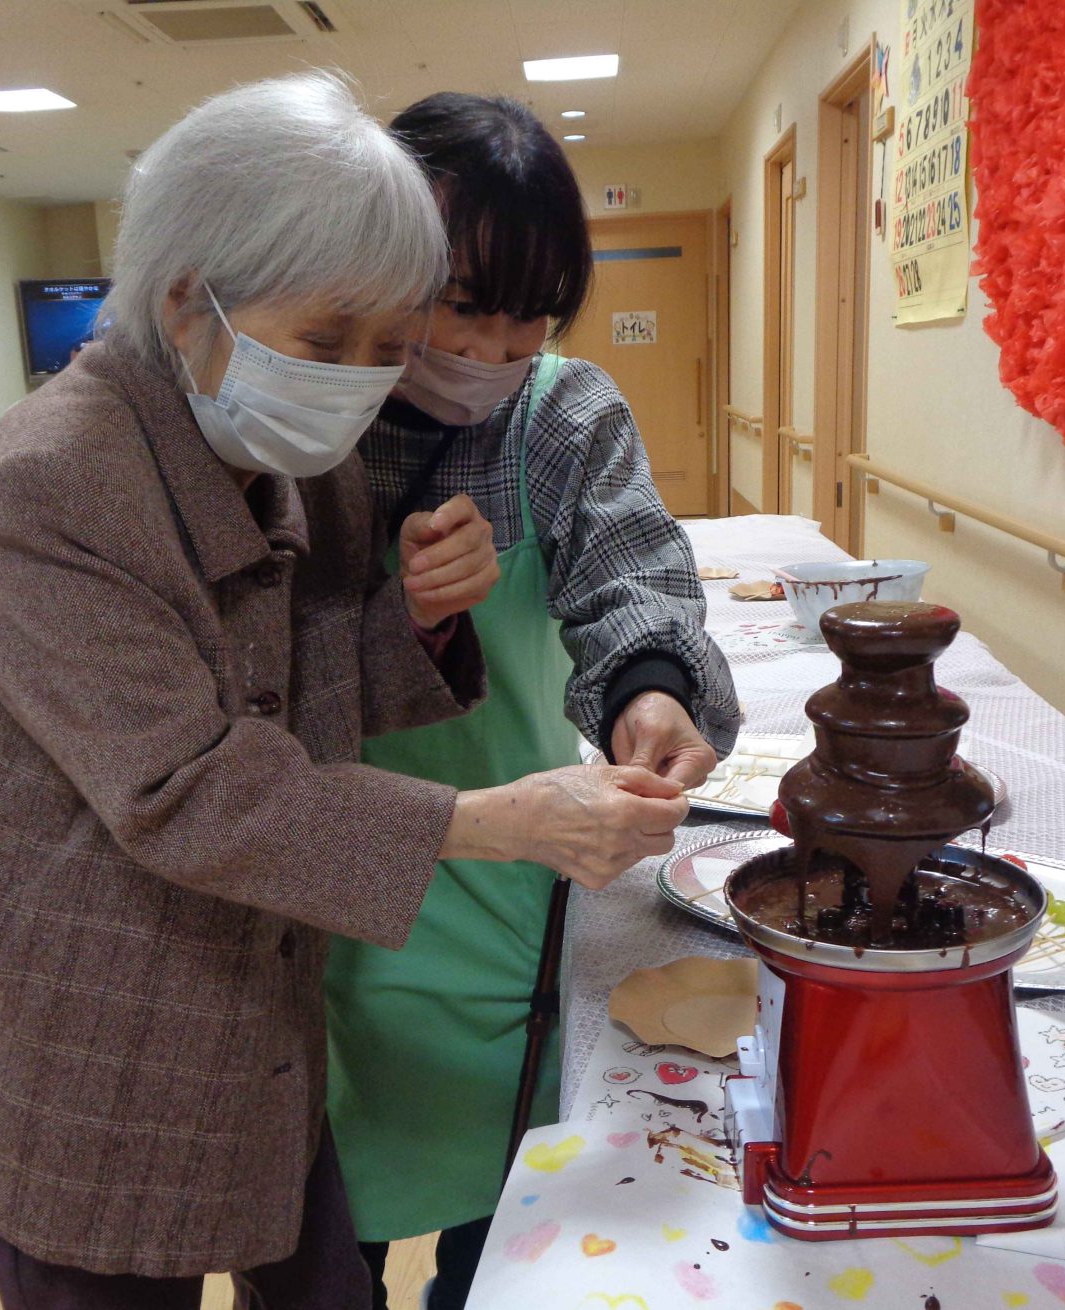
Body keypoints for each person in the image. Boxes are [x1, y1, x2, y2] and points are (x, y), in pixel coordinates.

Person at [0, 72, 686, 1309]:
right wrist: (496, 820)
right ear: (186, 300)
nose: (364, 384)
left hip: (260, 980)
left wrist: (416, 616)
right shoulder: (60, 473)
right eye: (330, 343)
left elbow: (302, 680)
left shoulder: (283, 444)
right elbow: (187, 782)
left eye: (388, 346)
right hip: (91, 1009)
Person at [321, 93, 739, 1310]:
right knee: (314, 1238)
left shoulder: (560, 413)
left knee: (501, 1232)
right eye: (462, 308)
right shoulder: (308, 395)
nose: (493, 352)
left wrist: (652, 689)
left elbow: (633, 578)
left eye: (530, 315)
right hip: (300, 873)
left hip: (500, 894)